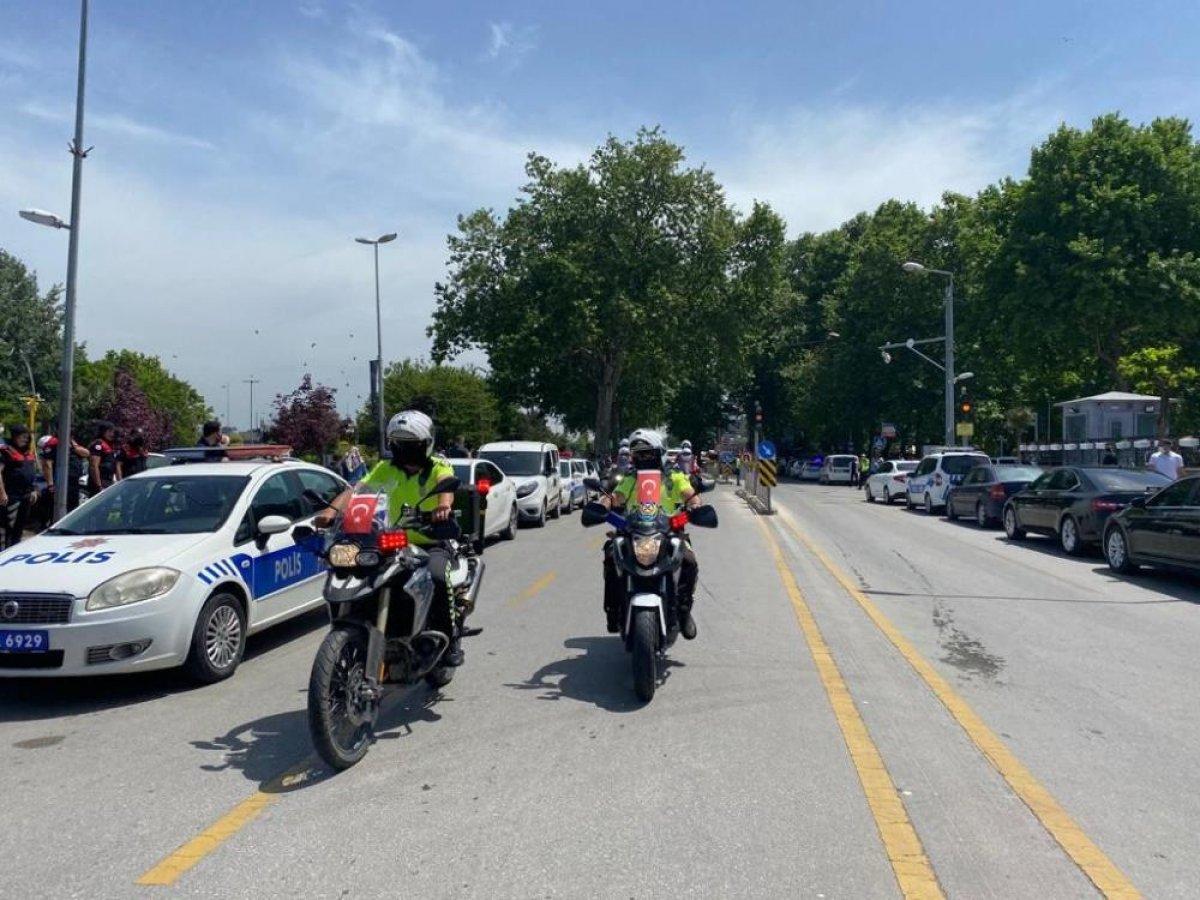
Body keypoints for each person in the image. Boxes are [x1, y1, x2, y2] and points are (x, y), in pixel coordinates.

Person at [316, 410, 463, 674]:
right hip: (390, 542)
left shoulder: (438, 467)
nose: (404, 450)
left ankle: (450, 642)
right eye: (399, 444)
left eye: (411, 445)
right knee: (353, 570)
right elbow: (357, 490)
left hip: (431, 542)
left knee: (438, 576)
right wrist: (331, 512)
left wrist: (443, 506)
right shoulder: (386, 468)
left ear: (425, 444)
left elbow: (447, 488)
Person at [599, 428, 701, 639]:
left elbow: (689, 494)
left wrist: (695, 505)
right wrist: (605, 503)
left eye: (648, 453)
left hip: (671, 528)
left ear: (659, 453)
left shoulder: (673, 475)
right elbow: (616, 496)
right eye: (639, 454)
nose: (643, 458)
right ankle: (613, 611)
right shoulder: (631, 477)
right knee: (610, 557)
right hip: (632, 529)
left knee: (689, 561)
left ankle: (684, 612)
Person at [1, 425, 38, 549]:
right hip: (12, 496)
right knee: (8, 528)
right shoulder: (6, 451)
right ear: (14, 436)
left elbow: (32, 473)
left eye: (27, 437)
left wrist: (34, 489)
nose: (25, 440)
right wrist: (2, 493)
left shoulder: (28, 453)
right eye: (22, 437)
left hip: (26, 495)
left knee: (20, 527)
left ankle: (14, 550)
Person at [40, 431, 89, 513]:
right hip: (61, 481)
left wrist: (74, 446)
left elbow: (86, 453)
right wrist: (51, 484)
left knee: (72, 507)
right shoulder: (54, 443)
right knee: (59, 507)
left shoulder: (72, 444)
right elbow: (47, 465)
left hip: (74, 481)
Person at [88, 422, 119, 494]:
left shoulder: (110, 445)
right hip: (100, 483)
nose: (112, 434)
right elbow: (94, 466)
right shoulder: (98, 444)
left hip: (108, 481)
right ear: (103, 431)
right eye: (109, 431)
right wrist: (99, 486)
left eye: (112, 432)